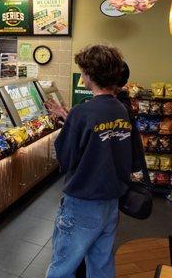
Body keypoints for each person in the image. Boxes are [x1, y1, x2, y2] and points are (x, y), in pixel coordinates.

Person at [45, 45, 132, 278]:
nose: (82, 75)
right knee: (100, 264)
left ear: (90, 75)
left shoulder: (82, 112)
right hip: (111, 201)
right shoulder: (121, 110)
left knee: (62, 266)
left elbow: (65, 158)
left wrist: (69, 124)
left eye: (83, 70)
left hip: (83, 201)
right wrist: (70, 119)